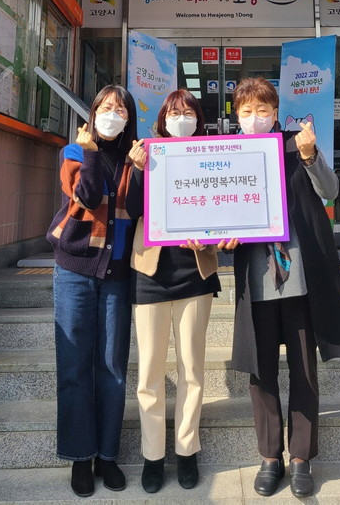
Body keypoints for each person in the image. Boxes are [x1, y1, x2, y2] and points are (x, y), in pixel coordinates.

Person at [229, 77, 340, 499]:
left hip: (298, 279)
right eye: (247, 111)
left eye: (263, 109)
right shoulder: (226, 153)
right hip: (256, 282)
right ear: (236, 116)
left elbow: (331, 191)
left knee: (304, 371)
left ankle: (301, 458)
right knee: (261, 372)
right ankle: (270, 457)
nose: (255, 118)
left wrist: (310, 157)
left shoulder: (296, 144)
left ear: (276, 111)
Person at [126, 89, 224, 494]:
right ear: (162, 119)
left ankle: (186, 450)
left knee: (192, 369)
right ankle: (152, 456)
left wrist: (211, 236)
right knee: (150, 371)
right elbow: (132, 208)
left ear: (198, 120)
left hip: (194, 273)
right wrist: (136, 170)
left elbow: (223, 207)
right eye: (174, 113)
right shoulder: (148, 154)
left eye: (188, 113)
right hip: (150, 273)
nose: (181, 119)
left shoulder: (212, 157)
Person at [47, 84, 138, 498]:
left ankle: (108, 455)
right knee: (74, 366)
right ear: (94, 111)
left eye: (120, 109)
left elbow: (137, 209)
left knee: (112, 366)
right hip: (75, 269)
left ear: (129, 117)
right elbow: (85, 196)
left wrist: (140, 170)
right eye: (106, 107)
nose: (112, 114)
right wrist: (90, 154)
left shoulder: (136, 156)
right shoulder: (74, 151)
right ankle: (80, 456)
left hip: (117, 273)